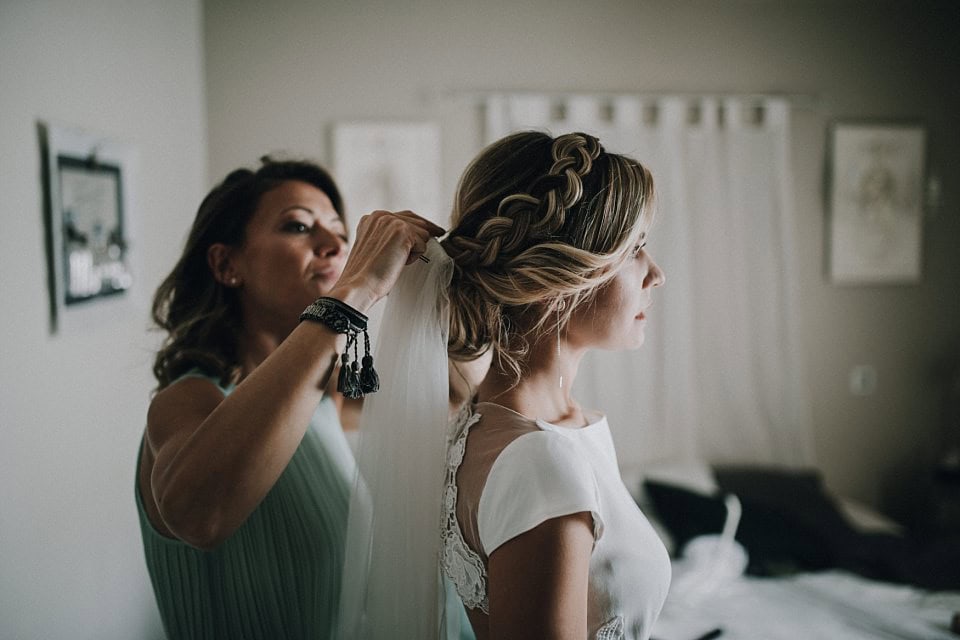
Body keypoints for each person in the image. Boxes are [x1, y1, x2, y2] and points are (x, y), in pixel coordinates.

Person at [341, 131, 671, 640]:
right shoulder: (538, 463)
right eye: (636, 249)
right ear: (558, 281)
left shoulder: (513, 425)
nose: (657, 275)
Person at [135, 156, 445, 639]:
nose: (334, 244)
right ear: (226, 264)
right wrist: (357, 288)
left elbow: (452, 401)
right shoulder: (187, 401)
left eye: (339, 232)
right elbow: (201, 516)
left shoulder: (325, 394)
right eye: (299, 226)